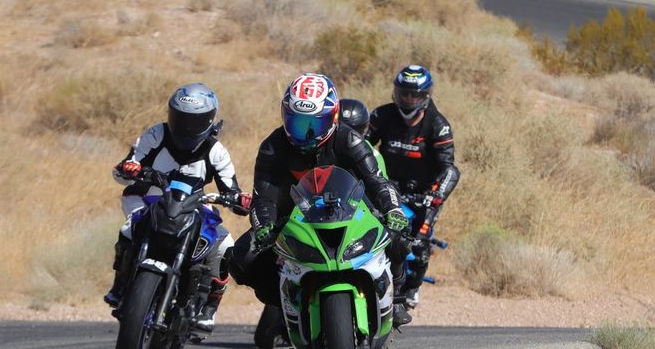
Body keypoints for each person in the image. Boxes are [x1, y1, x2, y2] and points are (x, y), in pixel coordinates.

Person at [231, 73, 409, 327]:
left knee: (399, 233)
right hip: (293, 215)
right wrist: (264, 226)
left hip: (352, 209)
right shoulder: (272, 146)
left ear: (333, 117)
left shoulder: (349, 139)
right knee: (242, 258)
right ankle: (284, 302)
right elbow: (263, 197)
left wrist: (393, 209)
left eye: (314, 124)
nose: (305, 133)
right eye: (297, 122)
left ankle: (398, 295)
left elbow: (378, 181)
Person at [105, 83, 251, 332]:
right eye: (180, 119)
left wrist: (239, 200)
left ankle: (209, 309)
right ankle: (119, 286)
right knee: (129, 227)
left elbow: (231, 189)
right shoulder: (156, 135)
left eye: (194, 122)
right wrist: (129, 169)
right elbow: (125, 167)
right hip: (151, 200)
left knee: (226, 248)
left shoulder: (216, 151)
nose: (186, 128)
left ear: (209, 120)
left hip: (195, 206)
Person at [365, 65, 460, 317]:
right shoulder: (381, 115)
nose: (408, 99)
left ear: (425, 96)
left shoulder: (437, 125)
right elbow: (360, 147)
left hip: (422, 194)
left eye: (414, 95)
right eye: (404, 93)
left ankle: (411, 289)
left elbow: (449, 168)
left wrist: (435, 196)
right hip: (385, 187)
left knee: (419, 244)